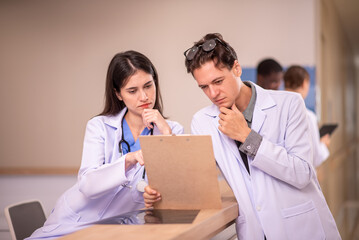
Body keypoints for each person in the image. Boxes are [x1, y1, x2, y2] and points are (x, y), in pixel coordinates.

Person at [144, 33, 340, 239]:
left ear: (236, 68)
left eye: (218, 81)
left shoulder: (289, 104)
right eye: (204, 87)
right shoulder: (203, 121)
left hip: (299, 228)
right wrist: (159, 192)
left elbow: (302, 173)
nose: (212, 93)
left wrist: (247, 137)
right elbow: (197, 183)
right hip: (255, 231)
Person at [28, 50, 184, 239]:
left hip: (119, 228)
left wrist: (166, 134)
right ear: (118, 94)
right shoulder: (100, 126)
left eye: (148, 86)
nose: (144, 97)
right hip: (75, 221)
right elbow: (87, 185)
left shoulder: (172, 131)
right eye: (132, 91)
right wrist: (129, 159)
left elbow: (176, 190)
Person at [284, 65, 331, 167]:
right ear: (305, 83)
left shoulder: (274, 109)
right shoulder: (307, 116)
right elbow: (315, 158)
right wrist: (323, 144)